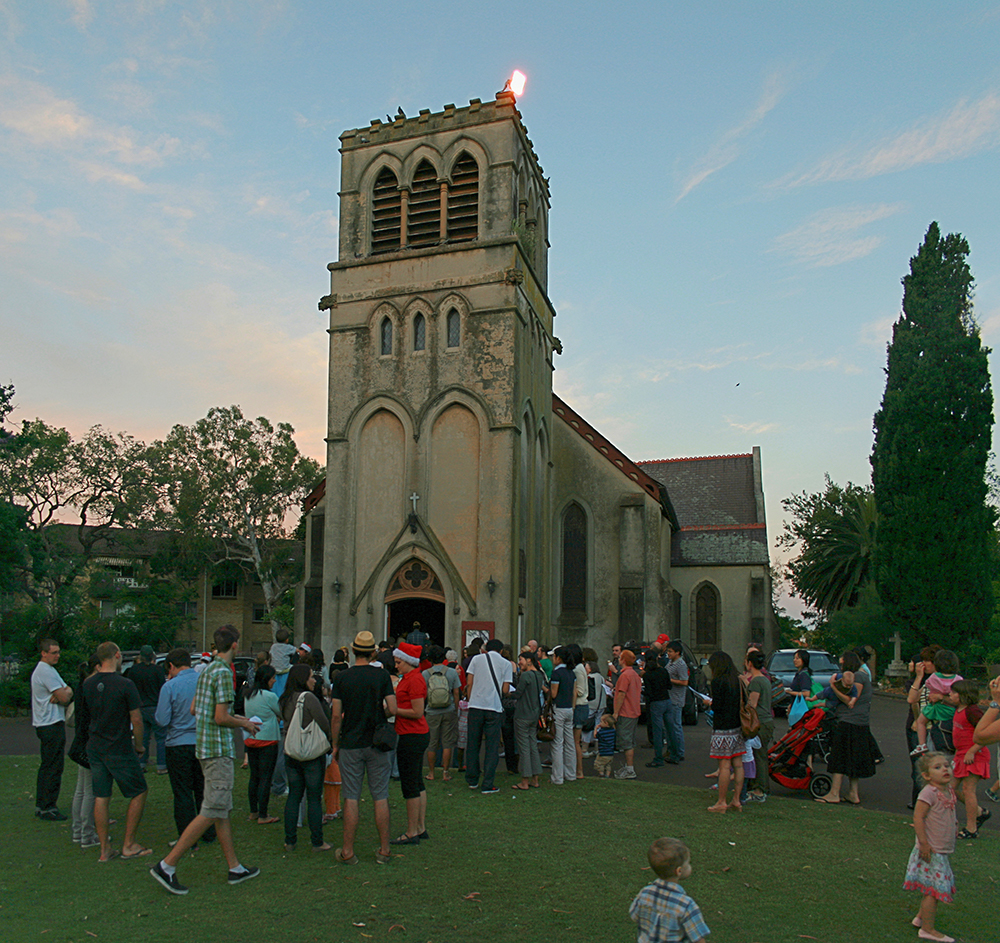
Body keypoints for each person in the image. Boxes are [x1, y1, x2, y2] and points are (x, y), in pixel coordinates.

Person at [150, 625, 260, 895]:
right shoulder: (222, 672)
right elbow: (221, 717)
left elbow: (193, 708)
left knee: (220, 809)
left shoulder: (206, 669)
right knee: (211, 809)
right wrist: (245, 723)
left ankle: (235, 867)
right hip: (217, 751)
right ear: (235, 644)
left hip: (204, 747)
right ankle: (167, 865)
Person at [329, 630, 397, 865]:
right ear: (372, 653)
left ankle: (348, 850)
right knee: (380, 795)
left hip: (350, 741)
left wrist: (335, 744)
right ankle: (385, 850)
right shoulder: (382, 676)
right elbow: (393, 707)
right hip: (377, 741)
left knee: (351, 797)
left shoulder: (342, 678)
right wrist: (380, 714)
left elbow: (336, 716)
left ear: (354, 651)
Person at [82, 641, 150, 861]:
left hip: (95, 745)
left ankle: (104, 849)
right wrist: (139, 744)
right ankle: (128, 843)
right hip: (118, 745)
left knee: (101, 795)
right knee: (138, 791)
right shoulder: (125, 684)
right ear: (117, 655)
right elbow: (136, 718)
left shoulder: (88, 684)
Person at [155, 648, 217, 848]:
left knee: (182, 793)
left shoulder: (170, 686)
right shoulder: (203, 682)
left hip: (178, 743)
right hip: (201, 741)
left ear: (171, 666)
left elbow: (162, 720)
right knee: (202, 790)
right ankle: (208, 832)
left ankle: (187, 838)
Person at [903, 753, 957, 943]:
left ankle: (920, 918)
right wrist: (924, 843)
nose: (945, 769)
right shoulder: (928, 793)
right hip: (931, 850)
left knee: (930, 887)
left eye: (947, 765)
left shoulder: (948, 790)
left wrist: (954, 826)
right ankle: (928, 929)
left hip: (940, 848)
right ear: (926, 775)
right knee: (934, 890)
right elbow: (918, 817)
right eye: (937, 767)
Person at [280, 662, 332, 852]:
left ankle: (290, 840)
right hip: (310, 754)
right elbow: (324, 722)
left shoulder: (285, 699)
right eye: (310, 676)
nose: (313, 680)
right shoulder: (308, 698)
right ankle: (317, 841)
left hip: (291, 752)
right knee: (313, 797)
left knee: (294, 795)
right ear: (303, 679)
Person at [816, 649, 875, 806]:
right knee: (852, 759)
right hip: (858, 723)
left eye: (842, 663)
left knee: (839, 757)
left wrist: (833, 687)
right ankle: (852, 793)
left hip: (850, 722)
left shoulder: (858, 677)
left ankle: (834, 793)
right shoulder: (859, 676)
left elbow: (849, 700)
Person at [629, 837, 710, 943]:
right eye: (688, 863)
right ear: (679, 871)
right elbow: (698, 938)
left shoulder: (645, 893)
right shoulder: (686, 905)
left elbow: (635, 916)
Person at [389, 642, 429, 845]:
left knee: (410, 784)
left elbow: (417, 712)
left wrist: (394, 710)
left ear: (407, 662)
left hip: (411, 735)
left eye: (398, 662)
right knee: (417, 781)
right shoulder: (412, 678)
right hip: (414, 734)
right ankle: (419, 827)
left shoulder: (413, 680)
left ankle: (412, 830)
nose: (396, 666)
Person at [31, 638, 73, 821]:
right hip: (49, 723)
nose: (57, 655)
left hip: (48, 722)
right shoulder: (45, 671)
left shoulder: (50, 670)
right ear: (44, 653)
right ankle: (48, 806)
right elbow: (65, 696)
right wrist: (64, 693)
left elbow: (67, 691)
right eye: (54, 652)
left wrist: (65, 692)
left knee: (48, 765)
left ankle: (43, 803)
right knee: (53, 766)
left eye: (58, 652)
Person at [463, 638, 513, 795]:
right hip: (493, 707)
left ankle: (472, 779)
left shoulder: (476, 659)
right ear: (501, 651)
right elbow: (505, 689)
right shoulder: (506, 664)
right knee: (492, 747)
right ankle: (488, 783)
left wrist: (471, 699)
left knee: (473, 743)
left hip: (476, 705)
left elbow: (469, 682)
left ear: (485, 648)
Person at [949, 680, 991, 839]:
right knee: (949, 788)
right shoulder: (958, 709)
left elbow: (985, 733)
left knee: (968, 789)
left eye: (954, 693)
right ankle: (979, 812)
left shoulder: (972, 711)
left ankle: (971, 828)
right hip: (961, 754)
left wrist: (972, 751)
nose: (950, 695)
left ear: (964, 695)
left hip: (974, 755)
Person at [704, 650, 744, 813]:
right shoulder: (737, 679)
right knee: (739, 765)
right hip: (737, 726)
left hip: (723, 727)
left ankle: (721, 801)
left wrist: (709, 703)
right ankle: (736, 800)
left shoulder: (718, 682)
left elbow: (718, 706)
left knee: (724, 766)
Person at [68, 655, 101, 849]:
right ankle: (87, 833)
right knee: (90, 790)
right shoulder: (90, 688)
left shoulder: (82, 687)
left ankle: (77, 830)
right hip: (89, 743)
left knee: (81, 789)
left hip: (81, 742)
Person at [243, 664, 282, 826]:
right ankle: (263, 813)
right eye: (272, 678)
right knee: (266, 777)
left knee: (255, 776)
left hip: (252, 738)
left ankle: (254, 811)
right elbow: (280, 712)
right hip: (268, 740)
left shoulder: (248, 695)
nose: (274, 681)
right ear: (267, 679)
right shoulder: (270, 696)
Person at [124, 645, 167, 774]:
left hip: (139, 708)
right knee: (161, 737)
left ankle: (141, 763)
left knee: (143, 737)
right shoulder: (158, 670)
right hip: (155, 706)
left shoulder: (133, 671)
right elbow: (162, 688)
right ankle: (162, 765)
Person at [911, 650, 962, 756]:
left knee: (921, 722)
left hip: (934, 714)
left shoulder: (934, 678)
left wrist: (920, 677)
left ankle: (921, 744)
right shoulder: (957, 679)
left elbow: (913, 699)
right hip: (950, 713)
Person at [423, 645, 460, 781]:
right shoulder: (452, 672)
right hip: (448, 709)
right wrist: (455, 708)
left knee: (432, 743)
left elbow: (423, 694)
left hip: (432, 711)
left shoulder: (426, 673)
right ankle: (446, 772)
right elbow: (456, 693)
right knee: (447, 743)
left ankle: (431, 772)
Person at [510, 649, 544, 790]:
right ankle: (535, 779)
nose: (519, 663)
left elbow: (518, 694)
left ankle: (524, 781)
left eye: (521, 660)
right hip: (534, 714)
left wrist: (507, 693)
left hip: (522, 714)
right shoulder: (539, 675)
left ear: (529, 660)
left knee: (524, 748)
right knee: (533, 747)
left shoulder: (526, 676)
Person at [744, 651, 772, 802]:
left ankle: (760, 789)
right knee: (760, 755)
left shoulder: (756, 682)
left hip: (759, 722)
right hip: (766, 721)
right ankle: (757, 787)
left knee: (758, 756)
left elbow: (752, 704)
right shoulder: (764, 680)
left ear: (750, 663)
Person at [548, 646, 577, 786]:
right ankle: (571, 774)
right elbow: (574, 692)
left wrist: (544, 688)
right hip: (569, 709)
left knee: (557, 743)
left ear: (558, 658)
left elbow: (553, 694)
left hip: (558, 708)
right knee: (570, 742)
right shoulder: (572, 673)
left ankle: (557, 777)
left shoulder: (556, 674)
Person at [612, 649, 642, 779]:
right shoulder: (634, 674)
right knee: (629, 740)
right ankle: (628, 767)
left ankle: (630, 769)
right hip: (634, 710)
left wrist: (616, 712)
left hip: (626, 711)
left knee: (626, 742)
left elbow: (621, 694)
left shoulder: (625, 676)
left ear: (623, 660)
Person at [643, 649, 671, 768]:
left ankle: (658, 757)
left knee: (657, 732)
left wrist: (642, 692)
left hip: (655, 703)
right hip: (667, 700)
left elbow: (648, 692)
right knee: (670, 728)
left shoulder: (648, 675)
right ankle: (674, 753)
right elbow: (669, 686)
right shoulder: (663, 671)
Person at [664, 640, 689, 765]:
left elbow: (685, 682)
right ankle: (671, 750)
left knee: (676, 726)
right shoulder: (670, 662)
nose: (668, 653)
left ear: (677, 652)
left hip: (676, 699)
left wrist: (670, 680)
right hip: (669, 697)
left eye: (670, 651)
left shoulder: (681, 665)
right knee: (669, 727)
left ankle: (679, 752)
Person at [785, 649, 813, 725]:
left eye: (798, 658)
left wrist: (790, 692)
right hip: (796, 706)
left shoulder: (803, 675)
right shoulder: (799, 673)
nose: (795, 660)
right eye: (794, 658)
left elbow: (806, 693)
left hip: (801, 709)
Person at [269, 627, 296, 699]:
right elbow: (297, 651)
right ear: (287, 640)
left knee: (274, 688)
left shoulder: (273, 647)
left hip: (274, 670)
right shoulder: (288, 647)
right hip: (285, 670)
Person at [594, 713, 617, 777]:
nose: (600, 723)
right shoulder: (613, 731)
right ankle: (607, 775)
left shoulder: (602, 732)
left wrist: (596, 728)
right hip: (610, 752)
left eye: (601, 721)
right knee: (608, 764)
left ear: (606, 723)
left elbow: (595, 736)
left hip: (603, 752)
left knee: (599, 763)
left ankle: (601, 774)